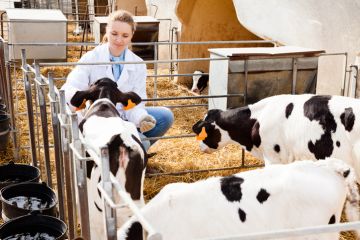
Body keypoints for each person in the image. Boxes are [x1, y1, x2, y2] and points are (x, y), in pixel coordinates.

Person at [61, 10, 174, 152]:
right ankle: (128, 153)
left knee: (165, 116)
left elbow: (137, 101)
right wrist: (85, 99)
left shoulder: (138, 64)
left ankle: (126, 152)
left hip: (124, 116)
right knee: (142, 145)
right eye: (114, 34)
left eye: (125, 35)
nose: (119, 40)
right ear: (107, 31)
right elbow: (70, 88)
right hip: (99, 117)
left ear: (132, 35)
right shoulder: (91, 58)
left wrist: (141, 118)